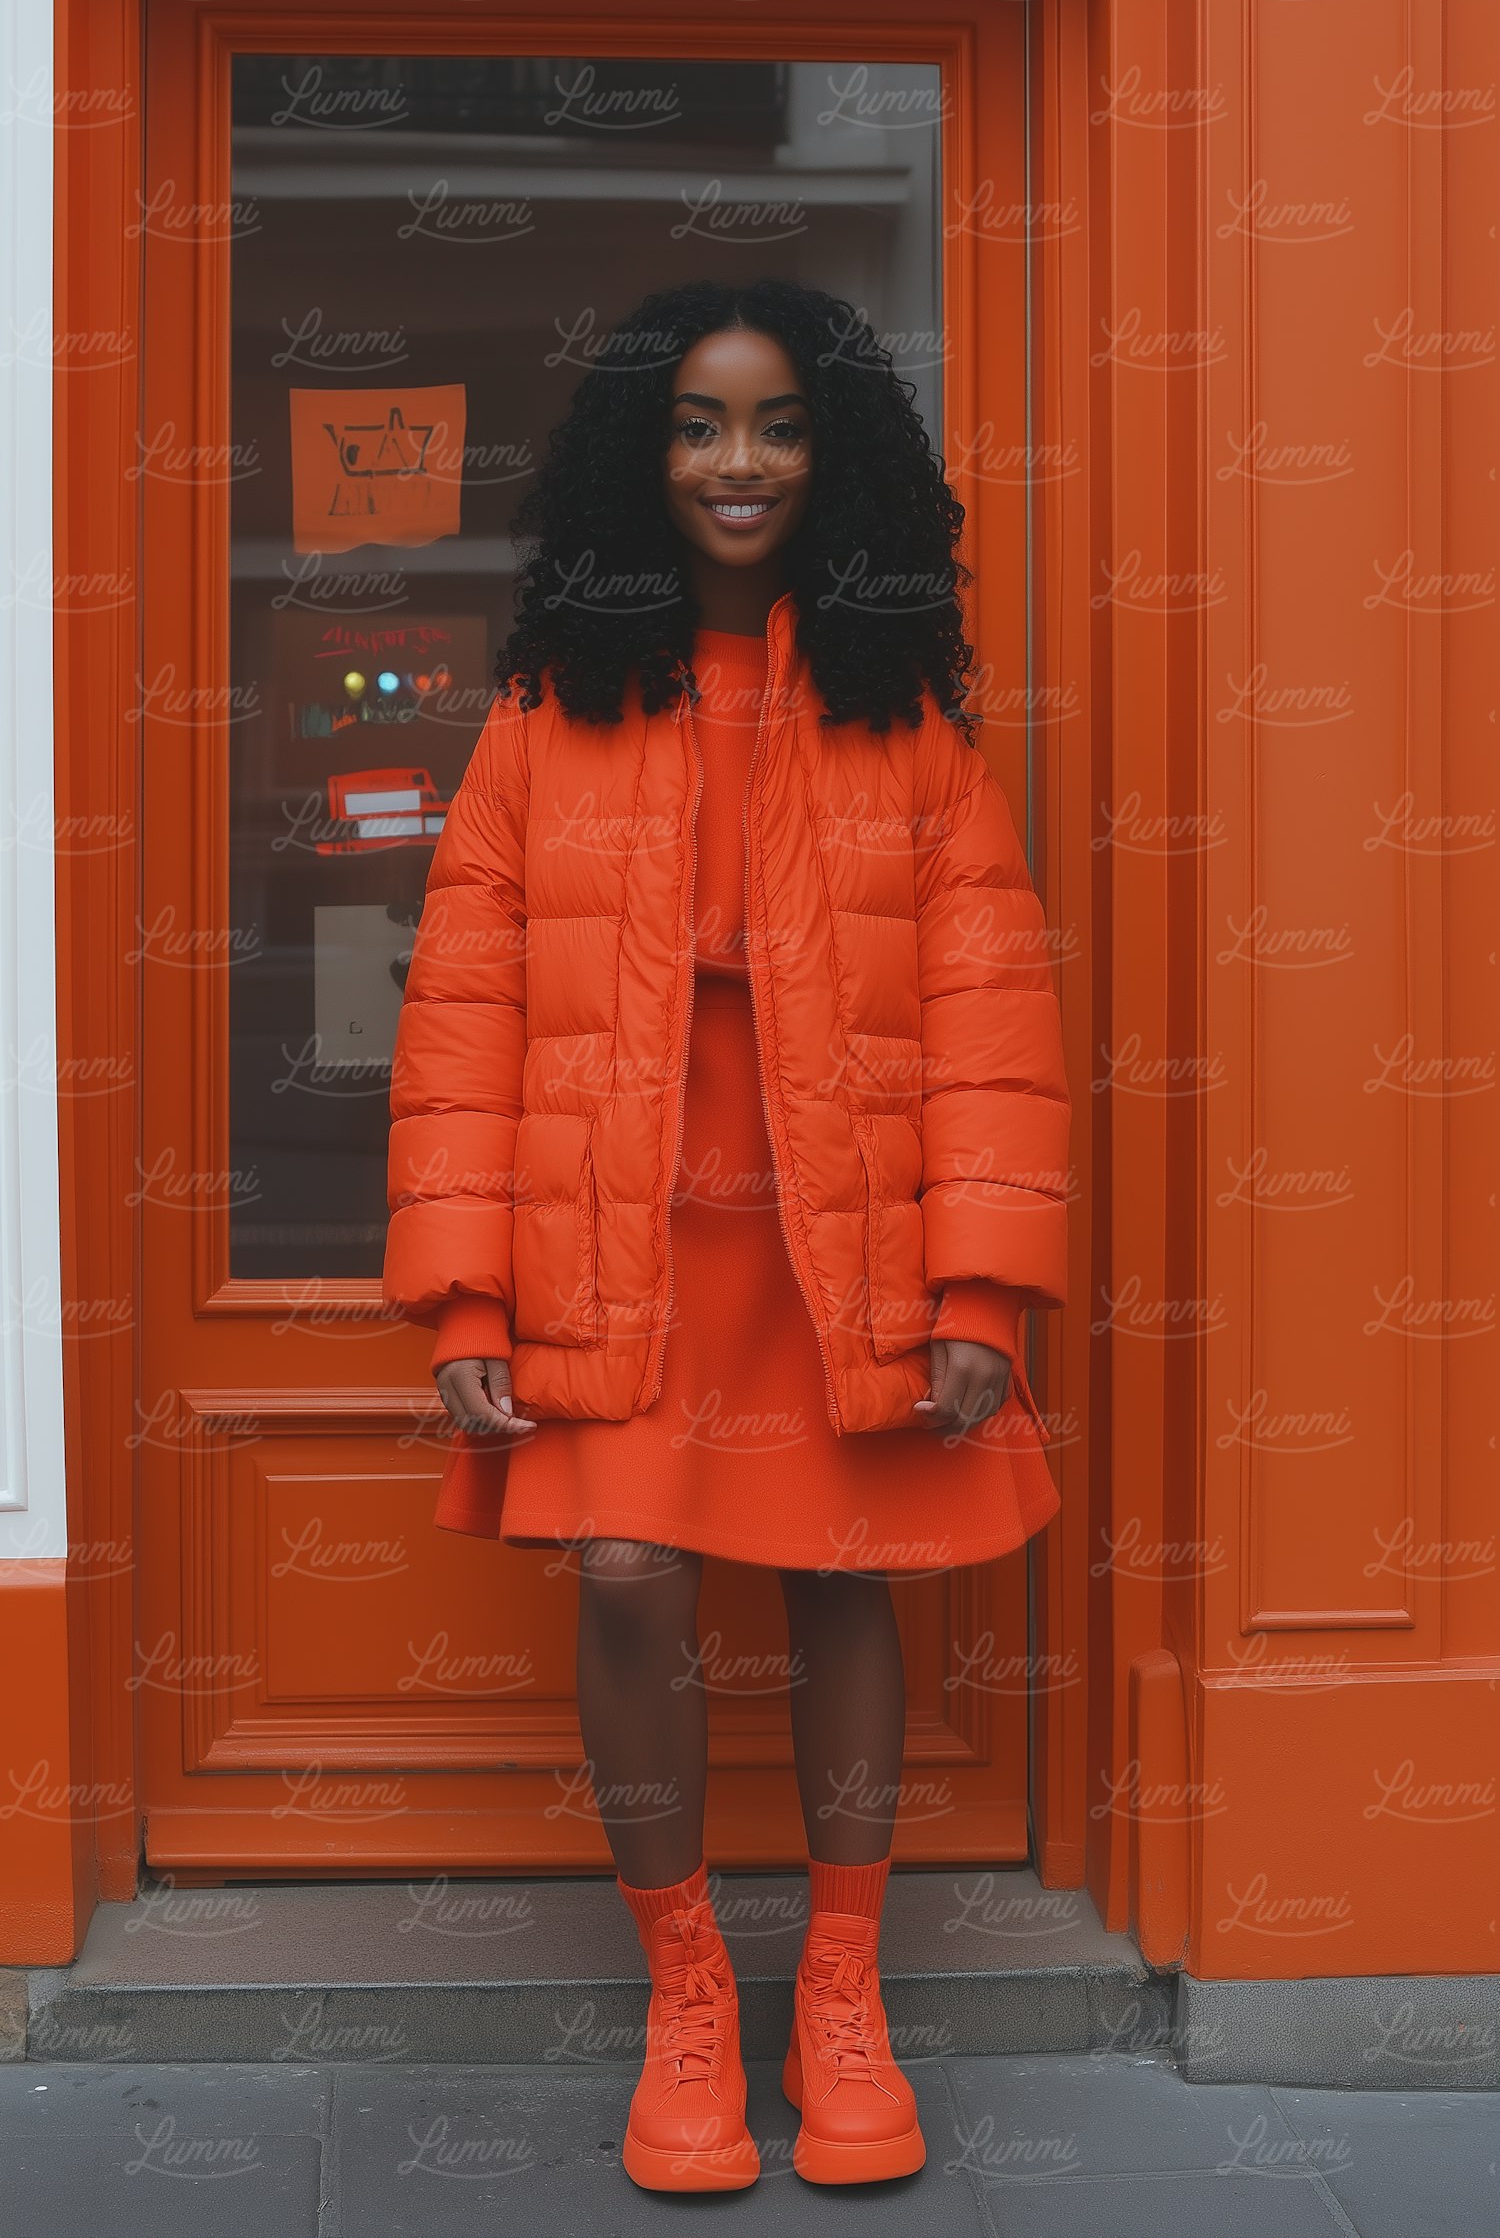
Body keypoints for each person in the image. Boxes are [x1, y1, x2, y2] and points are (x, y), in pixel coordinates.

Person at [382, 277, 1070, 2193]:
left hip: (838, 1229)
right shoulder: (542, 717)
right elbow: (458, 1015)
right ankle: (690, 1984)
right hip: (611, 1233)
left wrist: (980, 1286)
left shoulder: (908, 721)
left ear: (830, 455)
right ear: (640, 452)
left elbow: (998, 1018)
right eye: (696, 422)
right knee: (626, 1575)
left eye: (774, 424)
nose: (738, 460)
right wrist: (459, 1283)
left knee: (844, 1573)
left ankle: (839, 1987)